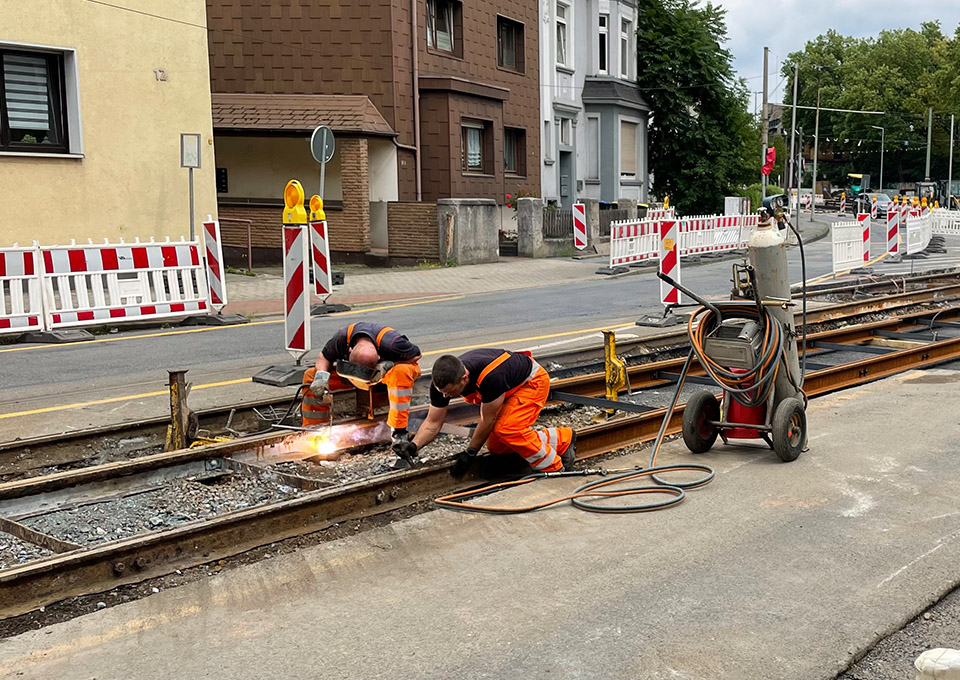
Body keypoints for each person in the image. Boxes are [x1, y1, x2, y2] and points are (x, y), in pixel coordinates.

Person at [397, 349, 575, 477]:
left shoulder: (490, 377)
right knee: (497, 446)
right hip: (506, 389)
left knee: (507, 429)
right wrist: (415, 445)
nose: (445, 396)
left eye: (449, 392)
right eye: (442, 392)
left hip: (530, 383)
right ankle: (562, 438)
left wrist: (469, 453)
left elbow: (487, 421)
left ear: (464, 378)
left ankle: (554, 468)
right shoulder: (442, 384)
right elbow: (433, 422)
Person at [301, 322, 421, 444]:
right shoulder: (342, 338)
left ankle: (399, 432)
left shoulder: (393, 343)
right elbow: (324, 357)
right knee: (311, 375)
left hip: (383, 375)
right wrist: (321, 376)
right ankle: (313, 433)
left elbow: (417, 355)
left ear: (378, 357)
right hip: (351, 375)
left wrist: (388, 365)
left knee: (401, 372)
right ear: (350, 350)